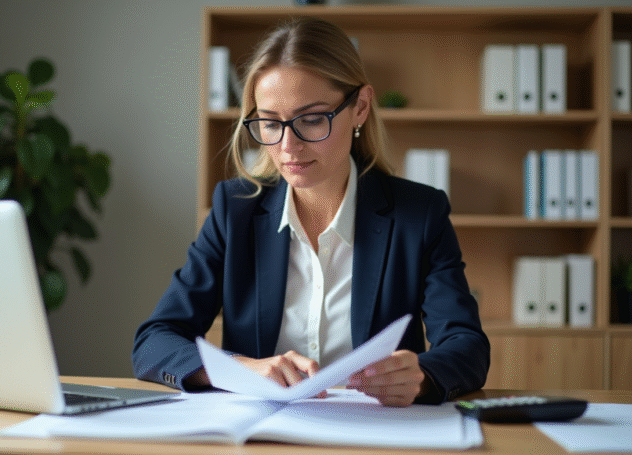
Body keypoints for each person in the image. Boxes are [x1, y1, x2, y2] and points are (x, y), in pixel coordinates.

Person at [133, 17, 489, 406]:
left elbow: (467, 345)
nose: (288, 146)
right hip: (263, 438)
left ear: (360, 108)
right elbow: (155, 341)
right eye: (270, 123)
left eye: (312, 119)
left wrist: (422, 375)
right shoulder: (234, 211)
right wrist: (239, 369)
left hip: (376, 436)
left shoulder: (418, 214)